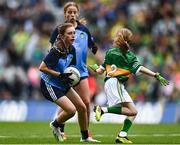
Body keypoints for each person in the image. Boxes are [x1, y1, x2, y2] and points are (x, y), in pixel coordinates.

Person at [89, 28, 169, 144]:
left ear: (119, 39)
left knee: (133, 111)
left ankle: (122, 135)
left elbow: (100, 71)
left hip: (113, 83)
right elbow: (140, 68)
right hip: (115, 82)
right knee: (131, 111)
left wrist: (95, 67)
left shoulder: (110, 52)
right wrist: (155, 74)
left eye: (116, 35)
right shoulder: (129, 55)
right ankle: (101, 110)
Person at [49, 1, 98, 140]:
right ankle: (60, 129)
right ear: (65, 14)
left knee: (86, 103)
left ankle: (86, 133)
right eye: (69, 12)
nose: (72, 14)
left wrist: (95, 50)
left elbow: (92, 46)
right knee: (69, 104)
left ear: (78, 14)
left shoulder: (84, 30)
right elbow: (51, 48)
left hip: (81, 72)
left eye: (74, 12)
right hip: (65, 72)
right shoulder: (59, 30)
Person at [39, 23, 95, 142]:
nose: (73, 35)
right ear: (62, 36)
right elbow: (42, 68)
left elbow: (72, 67)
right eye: (69, 33)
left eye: (74, 33)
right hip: (50, 84)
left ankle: (85, 137)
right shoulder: (55, 51)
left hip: (62, 82)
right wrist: (60, 75)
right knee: (71, 110)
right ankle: (55, 124)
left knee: (82, 107)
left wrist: (72, 78)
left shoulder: (72, 48)